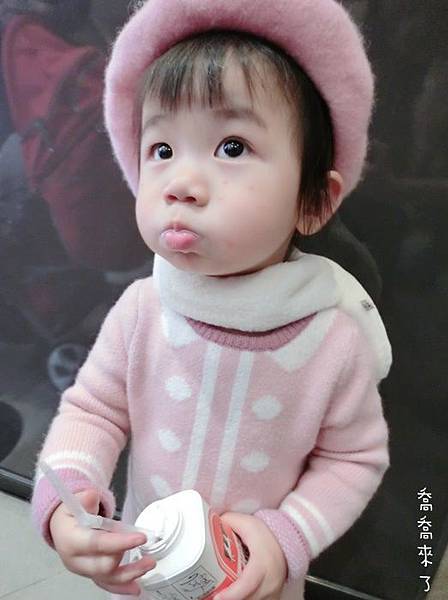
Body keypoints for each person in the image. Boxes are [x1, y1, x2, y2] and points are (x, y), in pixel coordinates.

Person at [31, 1, 392, 598]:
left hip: (255, 586)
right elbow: (93, 411)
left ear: (314, 202)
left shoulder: (331, 342)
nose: (181, 184)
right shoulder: (143, 310)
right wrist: (67, 501)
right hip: (150, 574)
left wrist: (284, 537)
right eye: (162, 150)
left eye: (231, 146)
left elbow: (354, 460)